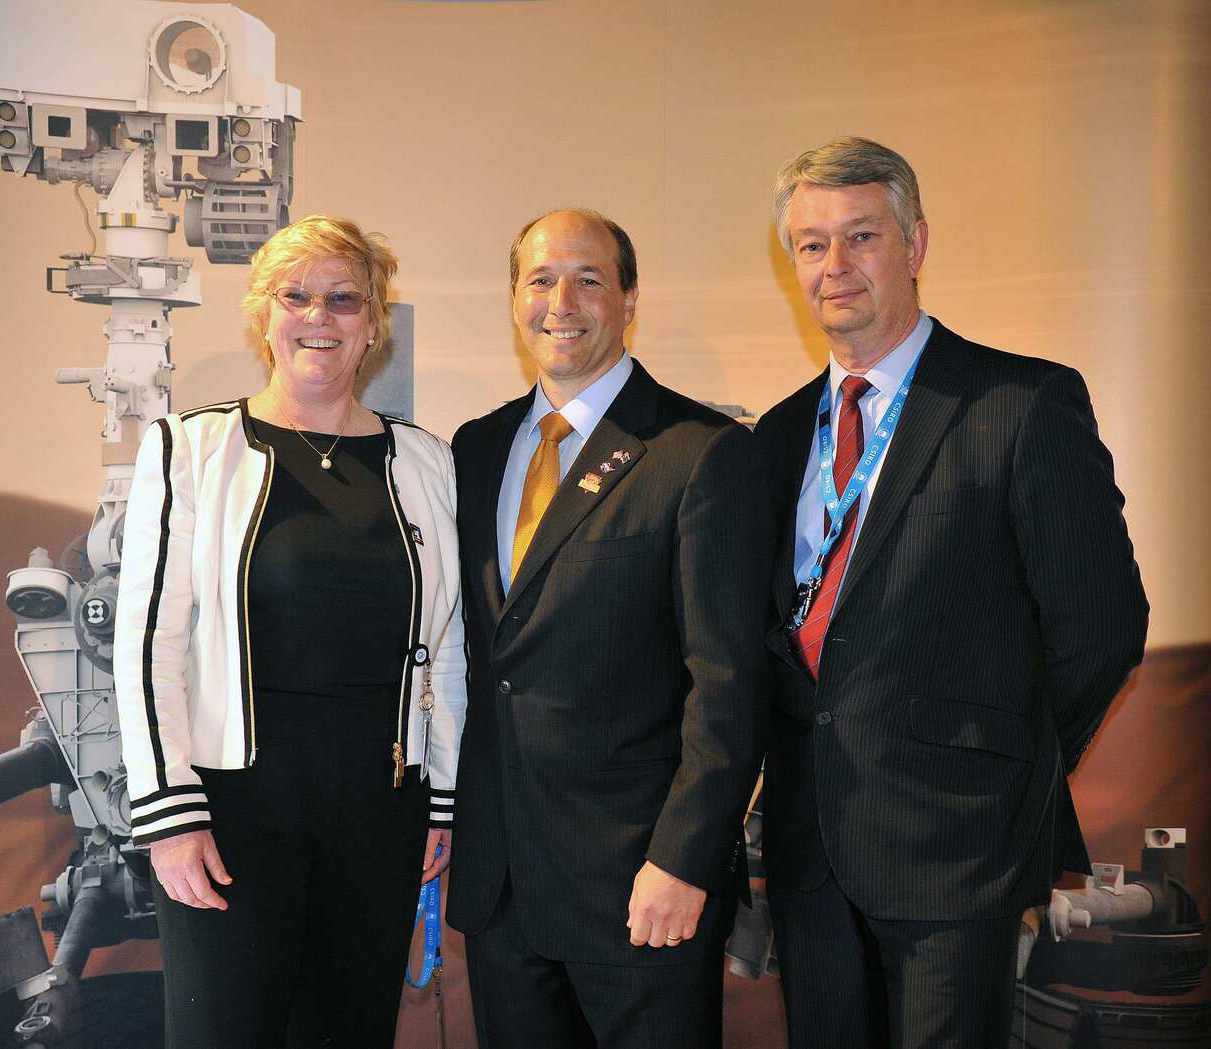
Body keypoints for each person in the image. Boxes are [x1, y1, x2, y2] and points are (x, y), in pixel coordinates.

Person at [755, 136, 1149, 1048]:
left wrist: (1001, 770)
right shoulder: (775, 437)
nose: (835, 264)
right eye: (812, 244)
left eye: (862, 236)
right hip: (811, 853)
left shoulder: (1019, 403)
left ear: (917, 244)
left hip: (959, 854)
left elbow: (1102, 627)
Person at [113, 214, 465, 1049]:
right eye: (296, 295)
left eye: (344, 298)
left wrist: (442, 799)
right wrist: (169, 815)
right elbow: (149, 645)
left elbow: (448, 646)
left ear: (373, 323)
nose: (319, 316)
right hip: (230, 815)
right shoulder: (192, 449)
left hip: (381, 813)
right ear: (262, 315)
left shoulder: (426, 461)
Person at [446, 208, 771, 1048]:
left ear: (629, 299)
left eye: (588, 279)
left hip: (642, 888)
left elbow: (728, 686)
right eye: (541, 280)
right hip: (503, 889)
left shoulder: (698, 451)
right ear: (514, 299)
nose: (562, 302)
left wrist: (684, 860)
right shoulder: (474, 450)